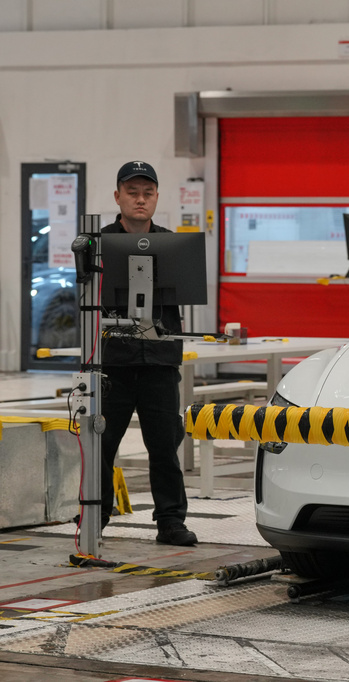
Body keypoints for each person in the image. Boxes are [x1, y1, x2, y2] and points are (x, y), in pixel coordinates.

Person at [99, 160, 197, 546]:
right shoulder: (97, 243)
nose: (140, 200)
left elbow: (186, 293)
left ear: (156, 197)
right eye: (132, 192)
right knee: (102, 446)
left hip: (159, 363)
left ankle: (170, 521)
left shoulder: (173, 246)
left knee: (164, 447)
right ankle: (96, 515)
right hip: (112, 365)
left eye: (148, 193)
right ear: (118, 196)